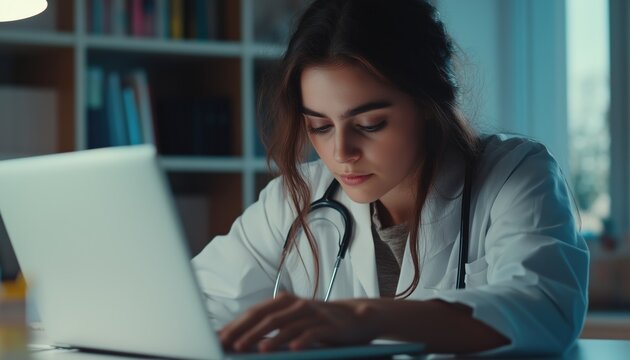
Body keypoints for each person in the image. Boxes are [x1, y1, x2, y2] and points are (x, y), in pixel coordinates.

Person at [192, 0, 589, 355]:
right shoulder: (294, 200)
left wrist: (367, 317)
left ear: (429, 104)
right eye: (320, 126)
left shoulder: (516, 175)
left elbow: (543, 307)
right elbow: (188, 306)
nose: (340, 153)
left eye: (369, 124)